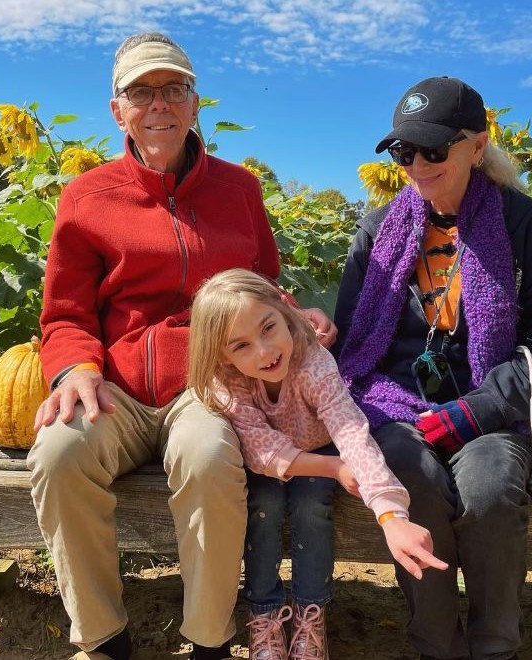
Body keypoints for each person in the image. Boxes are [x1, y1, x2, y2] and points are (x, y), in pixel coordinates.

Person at [27, 32, 336, 660]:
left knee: (208, 457)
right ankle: (104, 636)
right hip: (114, 388)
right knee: (58, 454)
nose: (158, 104)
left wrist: (293, 315)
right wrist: (75, 370)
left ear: (196, 104)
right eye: (141, 92)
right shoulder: (85, 198)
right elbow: (64, 314)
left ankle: (208, 639)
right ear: (118, 111)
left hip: (210, 386)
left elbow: (264, 289)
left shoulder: (239, 191)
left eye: (173, 90)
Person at [333, 76, 532, 660]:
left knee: (491, 489)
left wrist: (473, 413)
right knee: (409, 477)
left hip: (492, 409)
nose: (417, 164)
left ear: (477, 145)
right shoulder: (376, 230)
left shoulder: (523, 225)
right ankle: (435, 646)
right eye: (404, 152)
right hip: (393, 407)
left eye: (434, 149)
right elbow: (350, 347)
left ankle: (495, 645)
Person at [188, 269, 448, 660]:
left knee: (312, 506)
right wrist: (334, 470)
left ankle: (311, 614)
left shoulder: (315, 363)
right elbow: (260, 451)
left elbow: (350, 431)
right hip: (280, 464)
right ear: (222, 356)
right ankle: (266, 614)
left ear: (285, 310)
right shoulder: (228, 382)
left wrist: (391, 515)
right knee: (263, 507)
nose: (265, 351)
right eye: (240, 346)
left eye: (269, 328)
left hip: (323, 449)